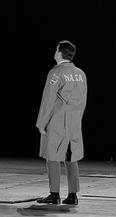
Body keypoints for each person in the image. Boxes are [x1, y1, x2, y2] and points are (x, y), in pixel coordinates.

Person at [34, 39, 87, 206]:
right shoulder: (80, 73)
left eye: (56, 50)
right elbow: (83, 100)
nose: (55, 52)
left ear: (60, 53)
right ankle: (73, 195)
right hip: (75, 120)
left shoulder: (56, 73)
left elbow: (48, 99)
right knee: (72, 158)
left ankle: (54, 194)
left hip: (58, 120)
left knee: (53, 156)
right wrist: (78, 119)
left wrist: (41, 123)